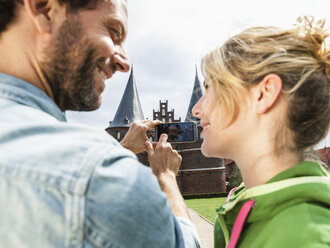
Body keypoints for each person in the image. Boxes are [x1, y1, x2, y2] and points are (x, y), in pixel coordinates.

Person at [0, 0, 200, 247]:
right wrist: (166, 176)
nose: (124, 62)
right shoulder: (101, 174)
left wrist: (121, 147)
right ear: (45, 9)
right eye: (114, 32)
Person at [192, 16, 330, 247]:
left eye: (209, 88)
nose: (197, 109)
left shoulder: (313, 239)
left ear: (264, 93)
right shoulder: (255, 212)